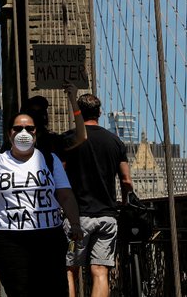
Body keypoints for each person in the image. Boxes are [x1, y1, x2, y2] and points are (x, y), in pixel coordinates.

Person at [0, 112, 82, 293]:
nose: (24, 132)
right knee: (20, 291)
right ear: (9, 134)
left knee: (54, 290)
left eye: (29, 128)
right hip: (9, 241)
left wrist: (75, 224)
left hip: (49, 238)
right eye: (18, 128)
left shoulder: (50, 160)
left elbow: (65, 195)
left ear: (36, 133)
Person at [63, 94, 134, 297]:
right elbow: (126, 181)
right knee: (100, 271)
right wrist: (124, 201)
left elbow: (59, 175)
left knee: (69, 270)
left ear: (77, 112)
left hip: (77, 217)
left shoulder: (70, 139)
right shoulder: (115, 141)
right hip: (107, 217)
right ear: (100, 113)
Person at [20, 80, 88, 161]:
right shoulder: (15, 142)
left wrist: (73, 100)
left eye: (42, 112)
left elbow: (81, 137)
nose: (39, 116)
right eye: (33, 113)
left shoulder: (52, 141)